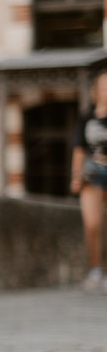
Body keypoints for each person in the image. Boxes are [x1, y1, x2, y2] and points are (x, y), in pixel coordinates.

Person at [72, 72, 107, 293]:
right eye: (103, 86)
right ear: (96, 90)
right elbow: (78, 148)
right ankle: (95, 270)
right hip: (92, 172)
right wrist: (75, 176)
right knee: (92, 224)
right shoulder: (86, 116)